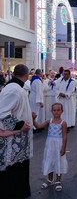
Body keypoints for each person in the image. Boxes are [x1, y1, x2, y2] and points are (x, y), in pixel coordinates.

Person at [0, 64, 34, 199]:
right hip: (14, 139)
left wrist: (28, 115)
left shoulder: (16, 87)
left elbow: (15, 108)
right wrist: (20, 125)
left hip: (20, 137)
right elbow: (2, 112)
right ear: (26, 75)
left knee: (19, 167)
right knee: (14, 168)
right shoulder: (14, 89)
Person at [33, 103, 68, 192]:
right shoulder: (49, 121)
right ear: (52, 111)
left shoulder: (63, 123)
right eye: (54, 110)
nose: (56, 112)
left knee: (58, 161)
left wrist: (63, 147)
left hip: (58, 146)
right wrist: (33, 119)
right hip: (50, 146)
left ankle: (58, 181)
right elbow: (39, 126)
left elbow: (64, 136)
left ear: (62, 111)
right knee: (49, 160)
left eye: (58, 110)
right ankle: (49, 180)